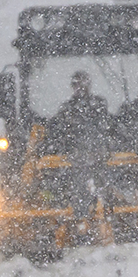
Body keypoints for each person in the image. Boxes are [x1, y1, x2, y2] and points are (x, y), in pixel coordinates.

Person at [47, 70, 111, 212]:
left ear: (88, 85)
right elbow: (58, 135)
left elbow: (105, 130)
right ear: (73, 86)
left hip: (95, 165)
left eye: (83, 83)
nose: (80, 87)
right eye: (77, 84)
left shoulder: (98, 107)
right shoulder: (66, 110)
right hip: (72, 166)